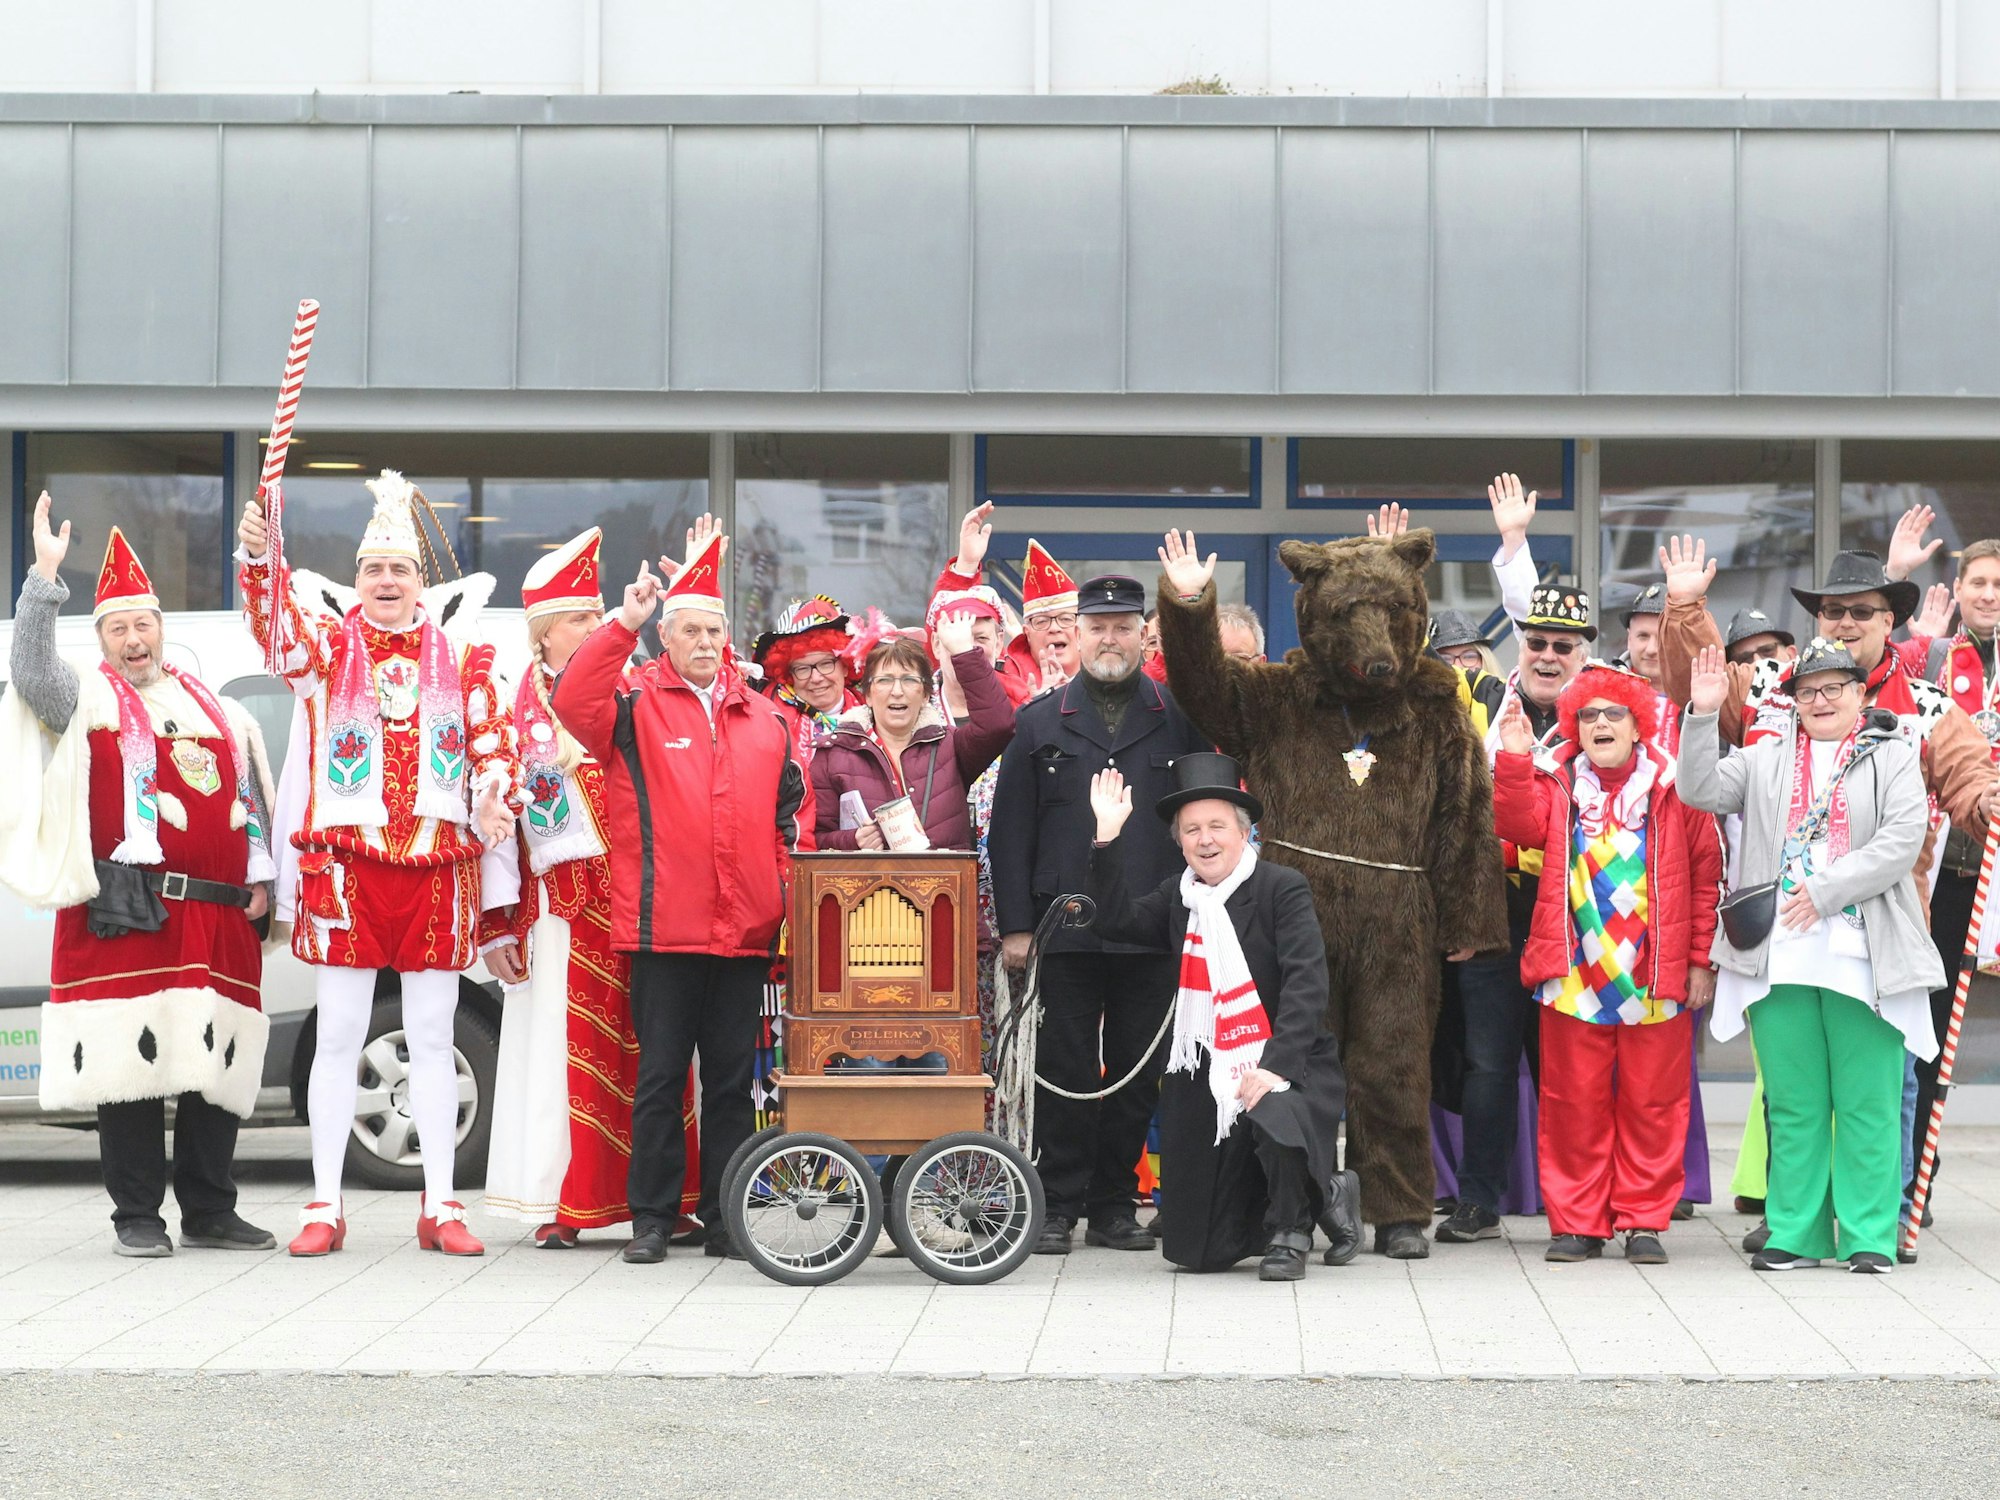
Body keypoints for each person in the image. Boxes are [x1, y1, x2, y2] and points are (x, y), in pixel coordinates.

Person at [239, 472, 519, 1258]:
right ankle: (323, 1206)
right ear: (355, 582)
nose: (386, 581)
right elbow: (273, 632)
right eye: (373, 570)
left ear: (421, 583)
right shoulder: (326, 652)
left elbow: (491, 740)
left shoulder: (463, 659)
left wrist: (494, 794)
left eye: (399, 570)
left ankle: (441, 1204)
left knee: (432, 1039)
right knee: (339, 1038)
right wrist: (263, 561)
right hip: (348, 871)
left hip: (437, 866)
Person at [0, 500, 277, 1257]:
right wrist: (44, 579)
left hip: (218, 918)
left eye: (143, 624)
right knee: (133, 1070)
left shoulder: (213, 706)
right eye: (118, 628)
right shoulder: (83, 701)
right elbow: (27, 671)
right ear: (101, 641)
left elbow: (248, 799)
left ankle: (212, 1209)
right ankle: (138, 1218)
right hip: (130, 916)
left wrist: (263, 879)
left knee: (212, 1069)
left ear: (162, 628)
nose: (134, 639)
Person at [552, 521, 806, 1264]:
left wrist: (780, 895)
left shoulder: (767, 718)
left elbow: (791, 819)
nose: (702, 641)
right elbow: (570, 705)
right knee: (661, 1080)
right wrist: (620, 623)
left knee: (731, 1085)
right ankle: (654, 1219)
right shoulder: (631, 707)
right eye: (688, 629)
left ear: (729, 636)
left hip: (744, 934)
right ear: (666, 636)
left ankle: (727, 1219)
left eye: (713, 629)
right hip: (663, 929)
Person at [1681, 639, 1944, 1273]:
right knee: (1794, 1102)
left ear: (1860, 694)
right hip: (1782, 956)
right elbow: (1698, 790)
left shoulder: (1895, 756)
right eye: (1808, 691)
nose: (1820, 701)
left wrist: (1826, 892)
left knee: (1868, 1102)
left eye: (1833, 688)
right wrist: (1701, 711)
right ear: (1793, 701)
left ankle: (1869, 1236)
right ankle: (1795, 1232)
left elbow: (1903, 840)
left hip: (1865, 954)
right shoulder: (1764, 757)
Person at [989, 574, 1212, 1255]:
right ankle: (1058, 1203)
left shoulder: (1179, 716)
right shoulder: (1037, 721)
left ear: (1145, 634)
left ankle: (1114, 1204)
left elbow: (1203, 822)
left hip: (1150, 919)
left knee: (1136, 1070)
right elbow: (1010, 832)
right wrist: (1019, 927)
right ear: (1075, 635)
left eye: (1122, 626)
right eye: (1097, 627)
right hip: (1066, 926)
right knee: (1066, 1067)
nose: (1109, 638)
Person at [480, 528, 689, 1247]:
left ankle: (664, 1197)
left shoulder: (637, 692)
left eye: (600, 613)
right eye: (579, 617)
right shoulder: (516, 710)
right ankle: (561, 1201)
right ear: (543, 635)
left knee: (657, 1052)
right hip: (561, 911)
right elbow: (500, 821)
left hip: (643, 903)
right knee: (564, 1056)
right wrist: (497, 922)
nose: (596, 625)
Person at [1083, 756, 1361, 1278]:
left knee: (1271, 1109)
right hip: (1203, 1063)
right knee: (1198, 1254)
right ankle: (1330, 1192)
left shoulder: (1283, 887)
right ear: (1180, 841)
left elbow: (1307, 983)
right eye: (1192, 830)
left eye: (1217, 827)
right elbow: (1115, 920)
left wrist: (1274, 1065)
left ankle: (1292, 1228)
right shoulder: (1178, 897)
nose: (1205, 840)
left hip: (1287, 1056)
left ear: (1244, 832)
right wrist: (1107, 837)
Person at [1493, 664, 1722, 1263]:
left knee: (1653, 1102)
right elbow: (1516, 826)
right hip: (1574, 971)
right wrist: (1515, 761)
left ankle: (1643, 1220)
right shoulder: (1559, 781)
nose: (1600, 723)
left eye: (1612, 713)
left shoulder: (1678, 787)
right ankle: (1577, 1224)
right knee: (1573, 1104)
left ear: (1637, 724)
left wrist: (1700, 961)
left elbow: (1705, 878)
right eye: (1588, 714)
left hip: (1655, 970)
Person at [1436, 470, 1596, 1247]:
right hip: (1493, 905)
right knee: (1489, 1063)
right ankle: (1478, 1200)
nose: (1547, 654)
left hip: (1578, 913)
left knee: (1567, 1064)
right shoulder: (1477, 703)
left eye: (1563, 645)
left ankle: (1578, 1205)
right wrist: (1511, 546)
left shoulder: (1605, 718)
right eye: (1535, 642)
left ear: (1583, 656)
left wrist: (1516, 546)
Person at [1881, 518, 2000, 1212]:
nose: (1989, 595)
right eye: (1979, 583)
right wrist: (1898, 575)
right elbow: (1878, 666)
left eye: (1998, 586)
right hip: (1949, 868)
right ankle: (1912, 1176)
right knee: (1926, 1023)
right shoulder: (1928, 660)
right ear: (1958, 591)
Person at [811, 613, 1014, 853]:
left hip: (943, 888)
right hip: (869, 889)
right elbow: (815, 839)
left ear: (926, 693)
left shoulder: (950, 746)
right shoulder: (833, 754)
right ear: (867, 694)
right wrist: (853, 840)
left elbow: (998, 725)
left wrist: (964, 653)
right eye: (885, 680)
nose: (897, 691)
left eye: (909, 680)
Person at [933, 502, 1079, 698]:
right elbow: (946, 644)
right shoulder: (1004, 681)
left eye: (1066, 618)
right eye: (1041, 621)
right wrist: (966, 565)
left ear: (1083, 629)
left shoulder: (1113, 673)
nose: (1054, 628)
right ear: (1027, 633)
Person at [753, 595, 857, 761]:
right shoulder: (765, 722)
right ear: (788, 675)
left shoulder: (878, 716)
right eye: (802, 668)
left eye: (826, 664)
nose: (816, 678)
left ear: (845, 666)